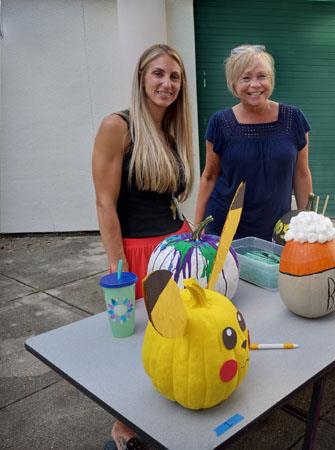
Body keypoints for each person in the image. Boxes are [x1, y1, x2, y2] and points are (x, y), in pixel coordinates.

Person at [92, 44, 194, 450]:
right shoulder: (117, 126)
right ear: (141, 77)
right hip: (139, 255)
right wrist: (119, 271)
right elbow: (105, 204)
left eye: (174, 76)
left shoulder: (169, 132)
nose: (166, 83)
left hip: (177, 247)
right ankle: (124, 429)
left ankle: (173, 405)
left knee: (179, 337)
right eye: (158, 73)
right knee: (137, 345)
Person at [194, 44, 313, 239]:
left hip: (277, 229)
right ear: (234, 84)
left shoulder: (294, 119)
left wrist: (309, 225)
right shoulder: (220, 123)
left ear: (271, 79)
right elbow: (209, 176)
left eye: (261, 76)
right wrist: (197, 227)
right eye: (246, 78)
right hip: (225, 232)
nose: (255, 84)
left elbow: (301, 174)